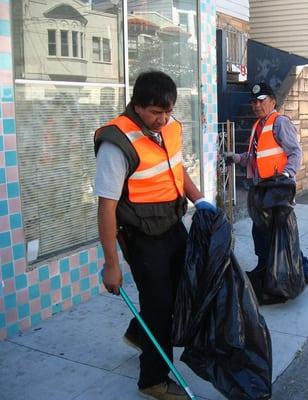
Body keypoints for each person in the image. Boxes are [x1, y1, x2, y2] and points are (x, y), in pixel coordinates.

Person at [94, 71, 215, 400]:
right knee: (159, 305)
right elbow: (106, 208)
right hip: (141, 236)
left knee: (184, 290)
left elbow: (176, 168)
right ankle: (153, 380)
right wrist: (111, 264)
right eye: (154, 113)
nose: (162, 119)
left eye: (167, 111)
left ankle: (139, 332)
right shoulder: (116, 143)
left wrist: (200, 199)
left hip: (172, 224)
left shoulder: (171, 127)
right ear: (136, 105)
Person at [225, 82, 308, 285]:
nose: (256, 105)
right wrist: (237, 158)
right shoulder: (259, 125)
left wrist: (286, 174)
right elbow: (256, 156)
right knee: (264, 231)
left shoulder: (279, 122)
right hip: (262, 190)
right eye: (253, 102)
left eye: (260, 100)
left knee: (279, 232)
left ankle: (302, 269)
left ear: (272, 101)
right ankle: (266, 267)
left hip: (277, 190)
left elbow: (295, 152)